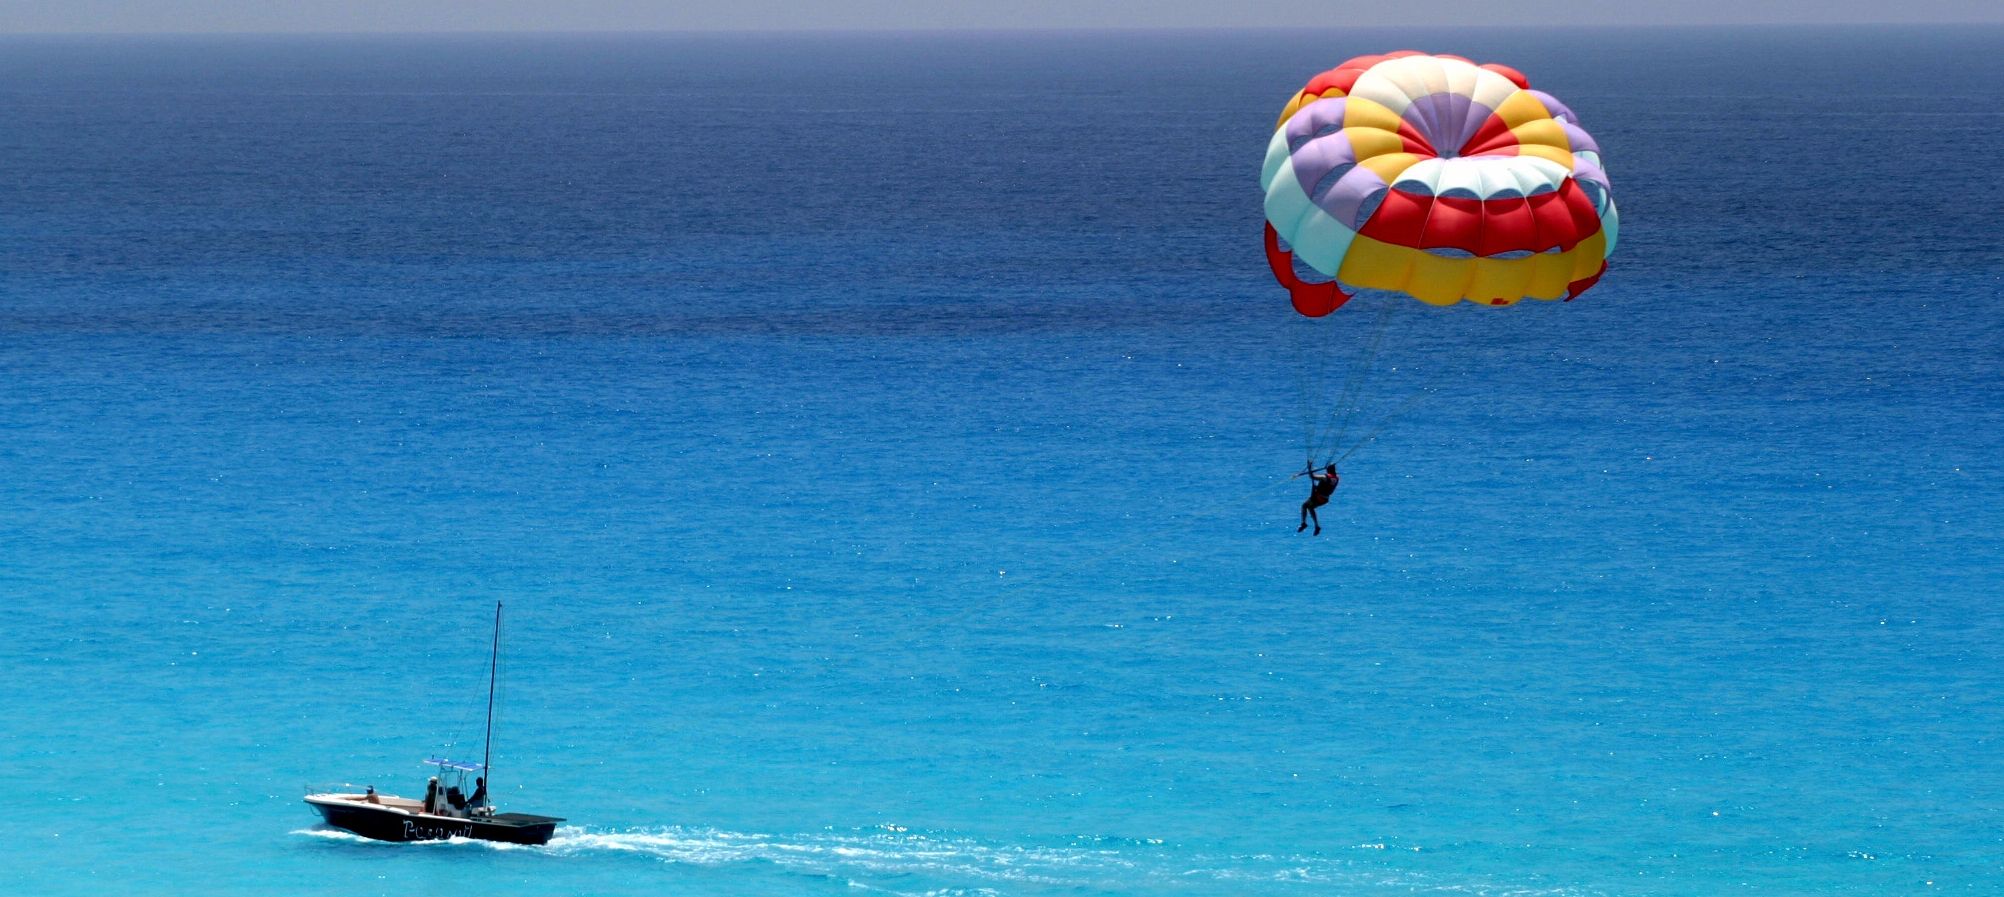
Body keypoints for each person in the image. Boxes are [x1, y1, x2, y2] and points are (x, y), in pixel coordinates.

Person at [1298, 464, 1338, 535]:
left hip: (1318, 497)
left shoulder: (1325, 477)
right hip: (1325, 499)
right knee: (1310, 508)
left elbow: (1312, 477)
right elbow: (1328, 488)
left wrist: (1310, 469)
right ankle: (1317, 526)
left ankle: (1304, 523)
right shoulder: (1336, 478)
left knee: (1304, 506)